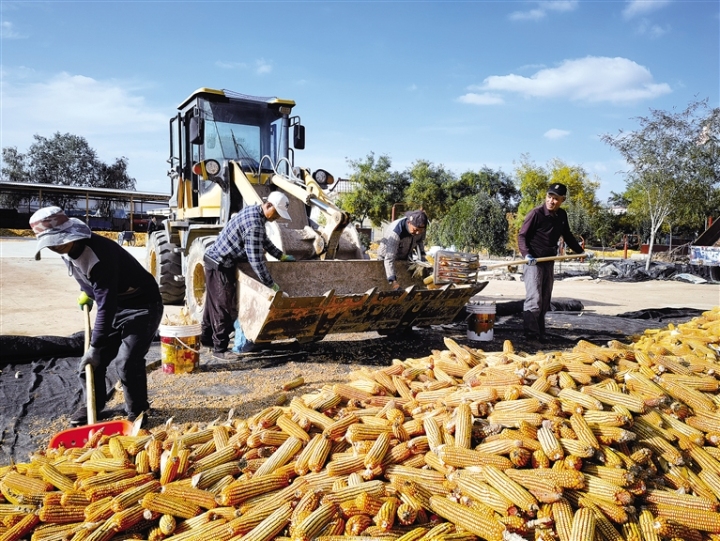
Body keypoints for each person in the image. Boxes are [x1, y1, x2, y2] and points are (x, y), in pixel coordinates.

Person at [29, 206, 163, 427]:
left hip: (142, 305)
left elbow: (106, 303)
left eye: (58, 240)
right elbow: (88, 280)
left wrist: (96, 343)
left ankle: (137, 411)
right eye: (50, 243)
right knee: (90, 363)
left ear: (70, 232)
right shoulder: (65, 251)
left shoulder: (99, 253)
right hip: (114, 303)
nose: (55, 246)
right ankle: (94, 404)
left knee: (127, 361)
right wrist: (87, 292)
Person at [201, 191, 295, 360]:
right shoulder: (254, 224)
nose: (278, 218)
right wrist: (270, 284)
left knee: (212, 303)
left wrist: (280, 255)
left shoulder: (254, 212)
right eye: (277, 213)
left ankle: (206, 339)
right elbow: (256, 260)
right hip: (220, 264)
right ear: (268, 206)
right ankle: (219, 349)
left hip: (213, 260)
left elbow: (263, 240)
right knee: (223, 306)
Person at [517, 183, 586, 343]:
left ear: (563, 200)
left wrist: (580, 251)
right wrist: (527, 254)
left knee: (545, 299)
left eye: (556, 199)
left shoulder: (561, 215)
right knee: (534, 299)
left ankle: (540, 333)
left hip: (548, 261)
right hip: (533, 262)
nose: (551, 201)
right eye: (549, 197)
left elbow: (567, 235)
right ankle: (530, 335)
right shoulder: (536, 213)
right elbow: (522, 236)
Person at [377, 209, 428, 290]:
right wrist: (394, 282)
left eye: (421, 230)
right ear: (409, 223)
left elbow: (419, 242)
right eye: (415, 230)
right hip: (386, 259)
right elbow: (389, 259)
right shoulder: (396, 233)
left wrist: (423, 258)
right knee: (385, 287)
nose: (418, 233)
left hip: (404, 256)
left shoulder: (422, 227)